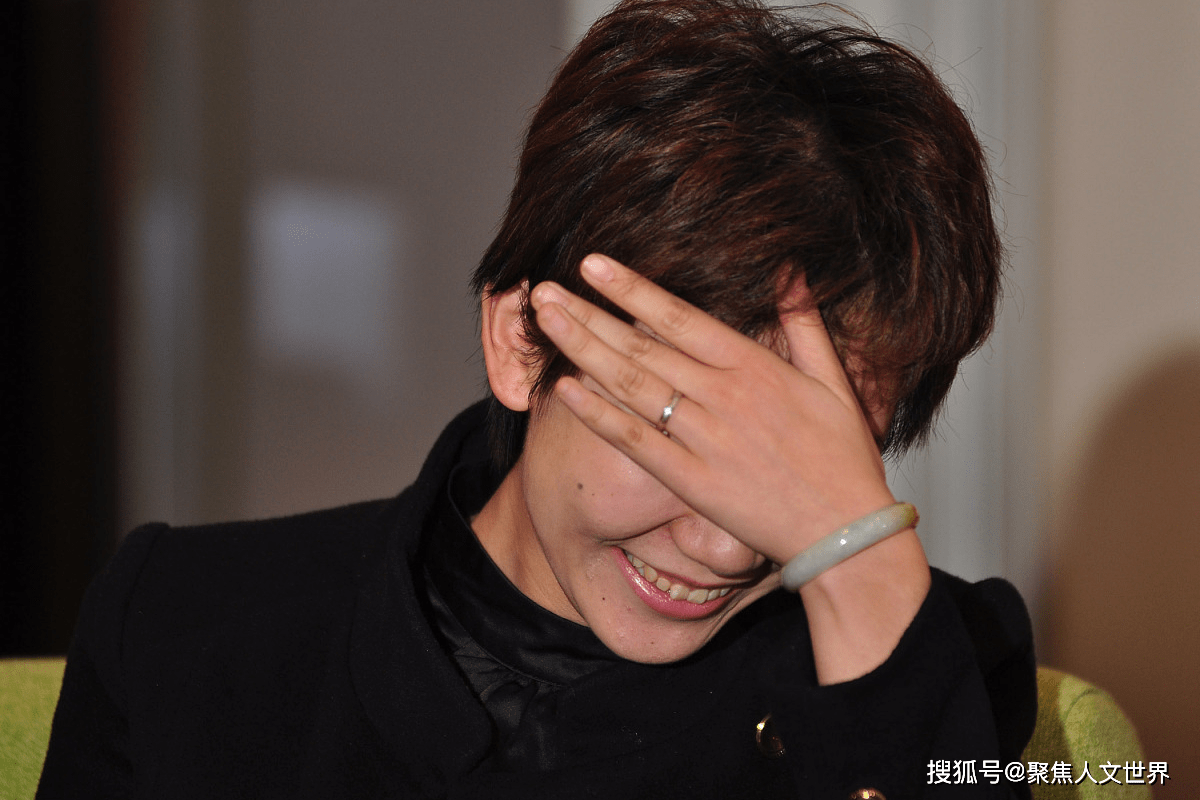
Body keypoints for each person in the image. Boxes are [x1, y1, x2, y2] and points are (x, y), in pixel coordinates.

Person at [38, 1, 1036, 797]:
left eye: (793, 459)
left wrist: (854, 561)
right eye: (680, 430)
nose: (725, 548)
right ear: (522, 341)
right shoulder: (184, 632)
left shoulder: (935, 671)